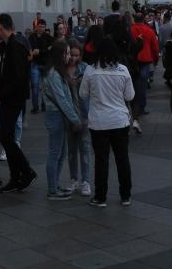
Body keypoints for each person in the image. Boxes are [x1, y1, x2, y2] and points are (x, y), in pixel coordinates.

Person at [79, 35, 135, 208]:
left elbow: (83, 94)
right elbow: (130, 96)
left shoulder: (90, 70)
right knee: (122, 158)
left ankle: (100, 197)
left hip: (99, 121)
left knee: (101, 160)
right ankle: (125, 195)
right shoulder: (123, 70)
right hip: (119, 120)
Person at [0, 13, 37, 194]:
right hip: (9, 98)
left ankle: (26, 171)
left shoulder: (16, 46)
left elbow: (18, 77)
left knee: (5, 137)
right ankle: (16, 175)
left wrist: (1, 96)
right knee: (6, 136)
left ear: (2, 27)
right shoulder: (7, 46)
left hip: (13, 98)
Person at [42, 42, 83, 200]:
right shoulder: (54, 74)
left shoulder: (58, 72)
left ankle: (55, 185)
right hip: (55, 116)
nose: (69, 56)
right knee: (55, 153)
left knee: (60, 153)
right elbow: (62, 99)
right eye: (66, 53)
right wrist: (75, 119)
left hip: (59, 116)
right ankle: (52, 190)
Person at [65, 43, 92, 197]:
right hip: (68, 115)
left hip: (84, 114)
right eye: (71, 54)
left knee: (85, 149)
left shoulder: (85, 68)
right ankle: (74, 179)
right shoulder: (62, 70)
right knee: (71, 150)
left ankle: (86, 181)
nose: (73, 58)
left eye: (76, 55)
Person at [130, 13, 159, 120]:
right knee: (142, 84)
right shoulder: (149, 30)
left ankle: (133, 105)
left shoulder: (130, 30)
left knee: (132, 83)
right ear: (143, 20)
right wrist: (155, 61)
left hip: (133, 60)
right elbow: (155, 48)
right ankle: (141, 106)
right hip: (145, 60)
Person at [28, 19, 52, 113]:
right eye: (40, 26)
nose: (41, 28)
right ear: (36, 27)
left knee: (45, 86)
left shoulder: (48, 37)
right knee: (35, 86)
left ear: (45, 27)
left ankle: (44, 104)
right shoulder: (32, 37)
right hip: (35, 64)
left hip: (45, 64)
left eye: (43, 26)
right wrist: (43, 50)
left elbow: (50, 49)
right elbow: (31, 49)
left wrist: (41, 51)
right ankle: (35, 106)